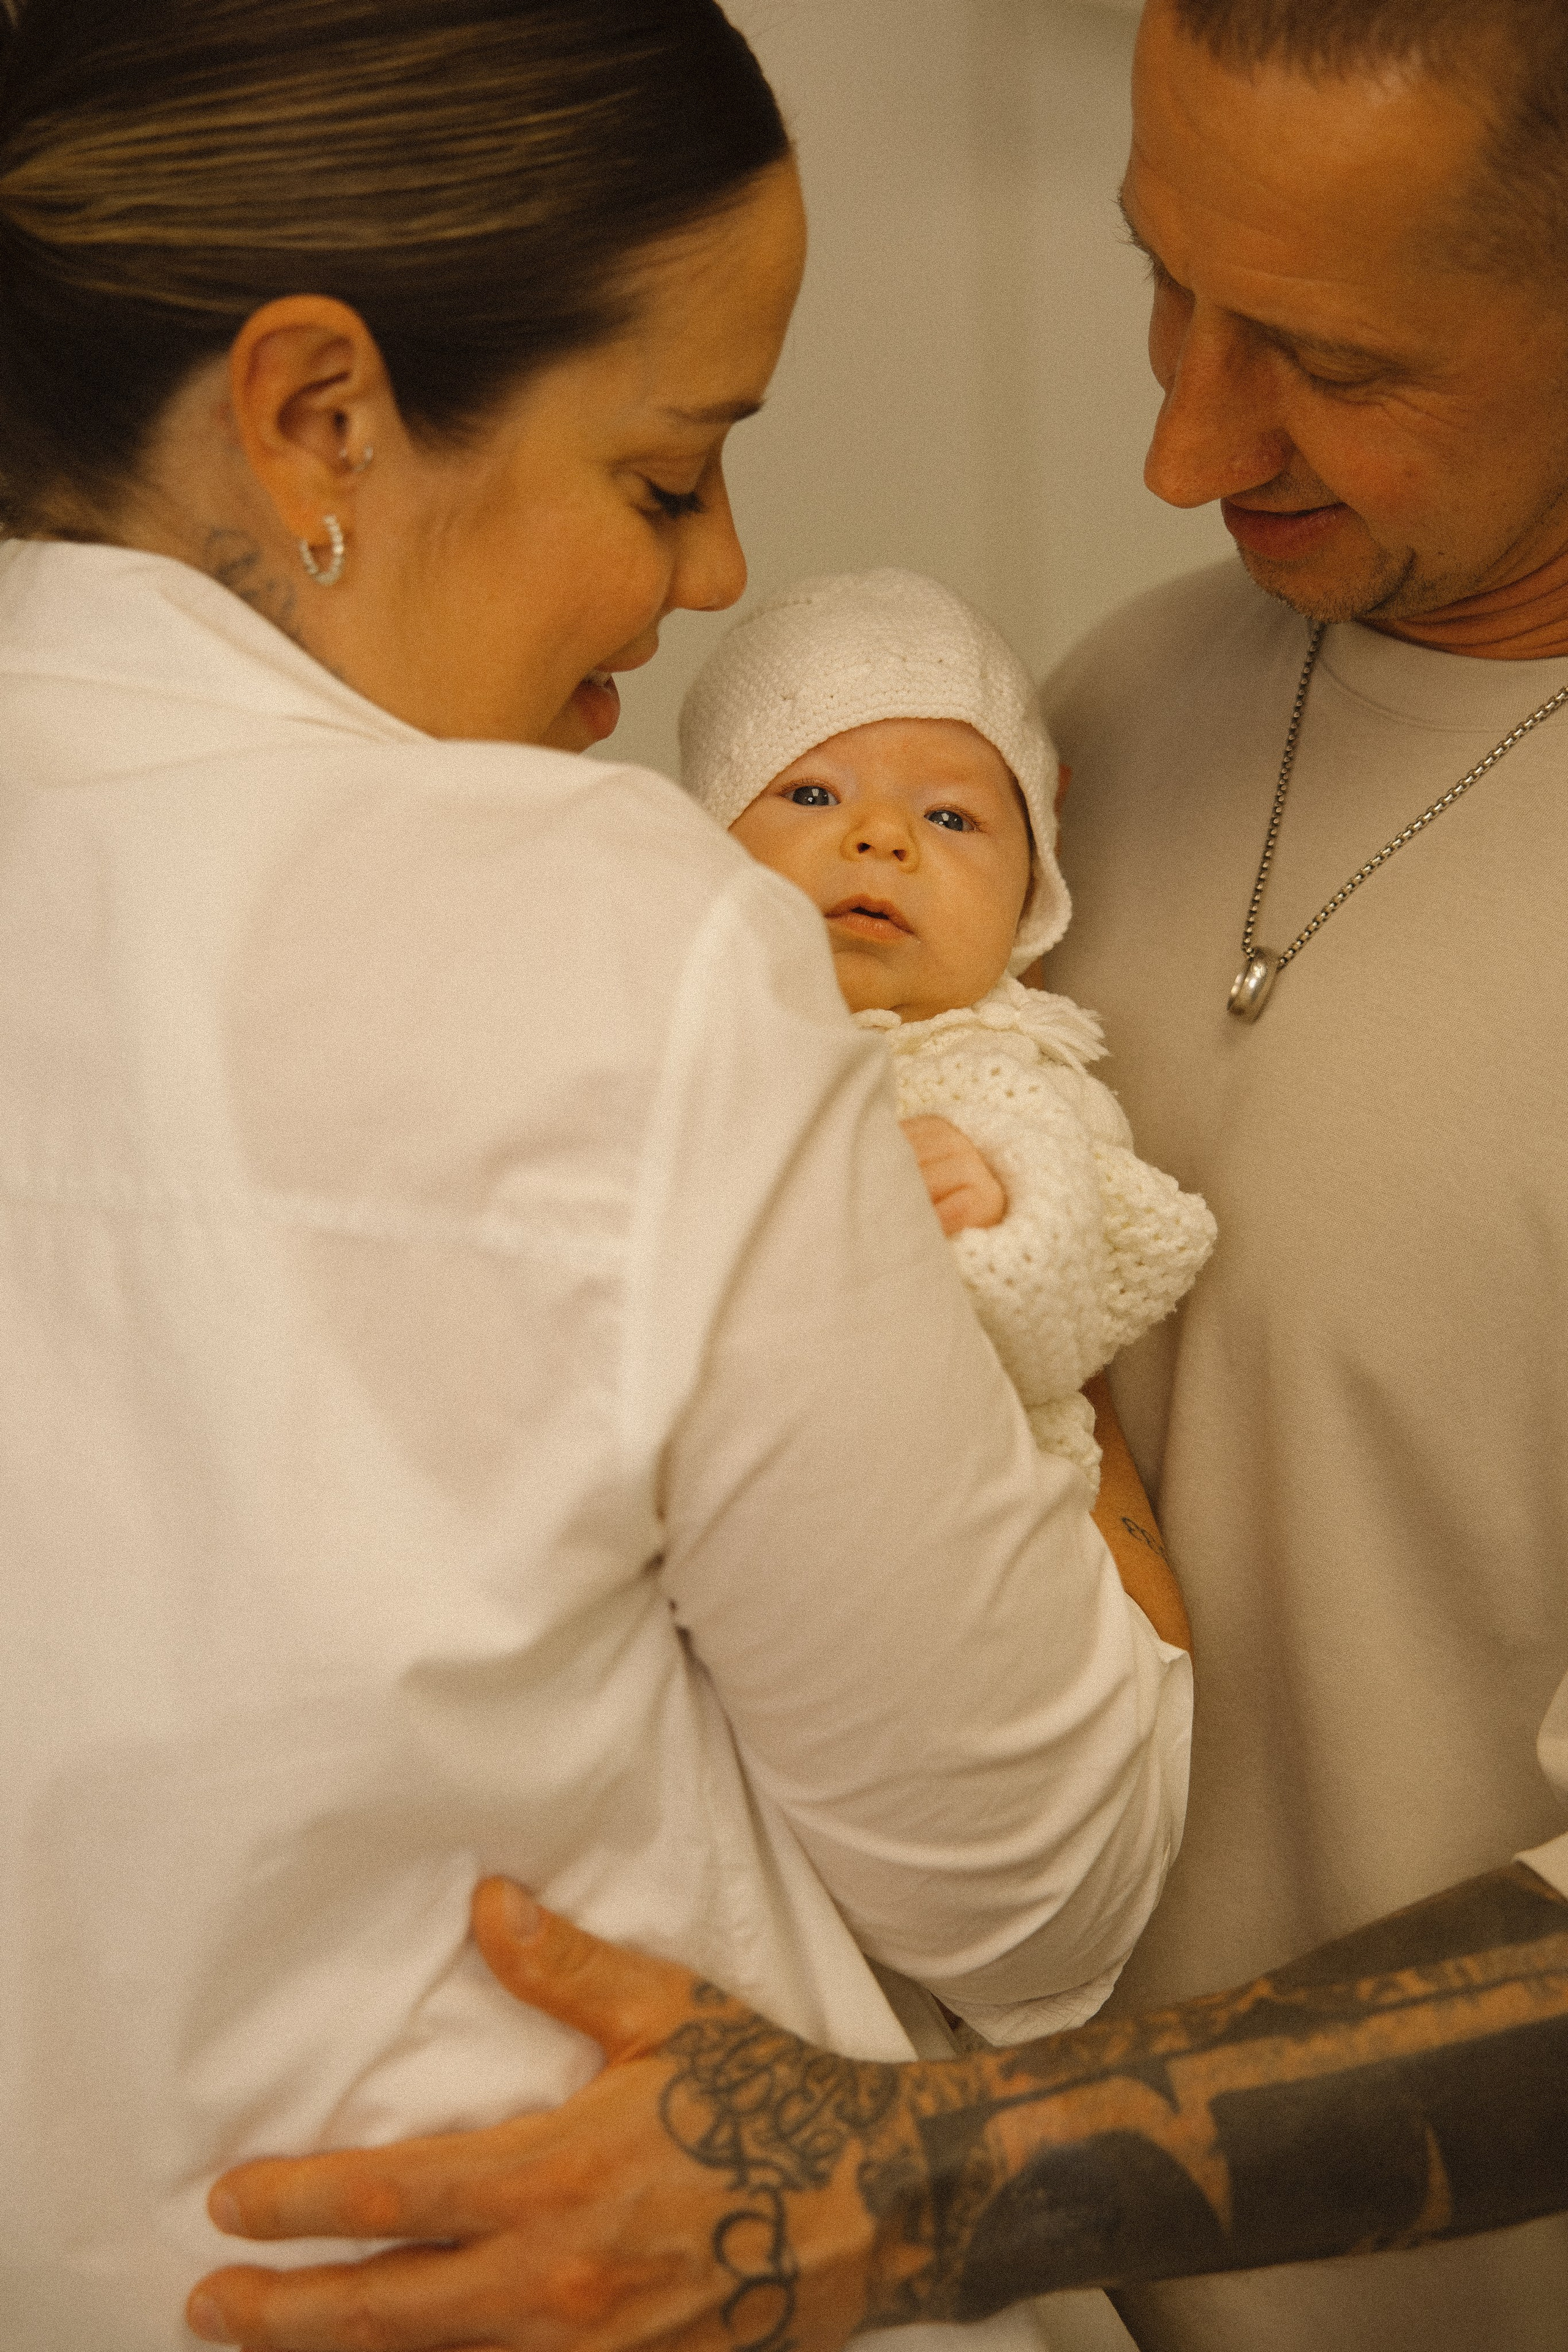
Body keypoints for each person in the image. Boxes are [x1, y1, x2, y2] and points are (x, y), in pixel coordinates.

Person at [176, 2, 1568, 2348]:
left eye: (1331, 361)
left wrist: (924, 2188)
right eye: (1163, 285)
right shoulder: (1102, 720)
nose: (1180, 442)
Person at [0, 4, 1195, 2348]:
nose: (723, 571)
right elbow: (1042, 1887)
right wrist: (1065, 1396)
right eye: (668, 476)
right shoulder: (614, 939)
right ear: (317, 417)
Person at [680, 567, 1215, 1496]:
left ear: (1030, 894)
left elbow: (1067, 1330)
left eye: (950, 816)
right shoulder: (664, 1036)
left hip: (953, 1515)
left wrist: (995, 1217)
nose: (883, 838)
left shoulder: (1009, 1080)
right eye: (813, 795)